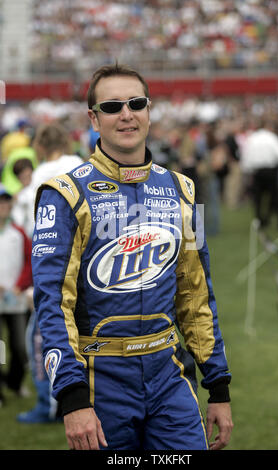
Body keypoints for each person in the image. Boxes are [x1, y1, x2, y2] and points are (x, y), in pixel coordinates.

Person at [32, 64, 233, 450]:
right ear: (93, 118)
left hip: (168, 376)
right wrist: (73, 399)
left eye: (136, 103)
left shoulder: (185, 190)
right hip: (99, 381)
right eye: (111, 106)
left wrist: (219, 386)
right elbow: (52, 304)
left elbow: (198, 295)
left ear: (149, 110)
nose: (126, 114)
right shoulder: (62, 194)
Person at [16, 123, 83, 423]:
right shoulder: (82, 165)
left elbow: (34, 228)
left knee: (41, 337)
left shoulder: (43, 175)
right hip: (86, 267)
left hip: (55, 264)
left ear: (41, 146)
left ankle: (50, 406)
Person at [0, 183, 32, 406]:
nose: (3, 205)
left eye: (6, 201)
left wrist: (20, 285)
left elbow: (30, 262)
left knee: (21, 347)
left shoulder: (18, 231)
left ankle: (13, 382)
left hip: (16, 299)